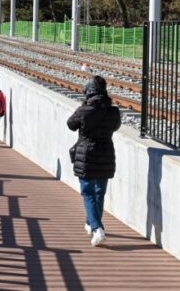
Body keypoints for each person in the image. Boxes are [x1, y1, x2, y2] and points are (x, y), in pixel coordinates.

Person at [67, 75, 121, 247]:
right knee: (99, 193)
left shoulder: (84, 111)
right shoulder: (113, 111)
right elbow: (115, 126)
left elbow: (70, 124)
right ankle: (91, 223)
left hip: (87, 155)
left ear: (88, 92)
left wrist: (82, 110)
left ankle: (97, 228)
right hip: (106, 154)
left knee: (88, 192)